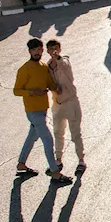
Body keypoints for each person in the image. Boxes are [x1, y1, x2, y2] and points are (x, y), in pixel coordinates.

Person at [13, 38, 71, 185]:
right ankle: (55, 173)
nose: (37, 52)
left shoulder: (43, 66)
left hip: (42, 109)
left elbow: (49, 83)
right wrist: (31, 92)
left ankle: (21, 164)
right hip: (33, 111)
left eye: (39, 50)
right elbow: (16, 91)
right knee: (47, 139)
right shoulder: (24, 69)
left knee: (32, 137)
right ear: (30, 51)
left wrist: (56, 87)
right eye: (34, 50)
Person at [45, 39, 84, 174]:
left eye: (56, 48)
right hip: (57, 104)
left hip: (71, 102)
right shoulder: (48, 66)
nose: (53, 52)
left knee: (75, 134)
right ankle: (58, 160)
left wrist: (58, 58)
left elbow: (63, 63)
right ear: (47, 51)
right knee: (58, 133)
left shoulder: (64, 61)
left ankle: (81, 160)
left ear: (60, 49)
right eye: (51, 49)